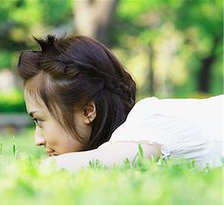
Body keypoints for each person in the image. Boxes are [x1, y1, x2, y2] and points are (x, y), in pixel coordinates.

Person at [17, 35, 223, 171]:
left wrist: (41, 168)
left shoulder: (149, 122)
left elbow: (102, 161)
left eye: (40, 120)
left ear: (88, 111)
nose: (38, 140)